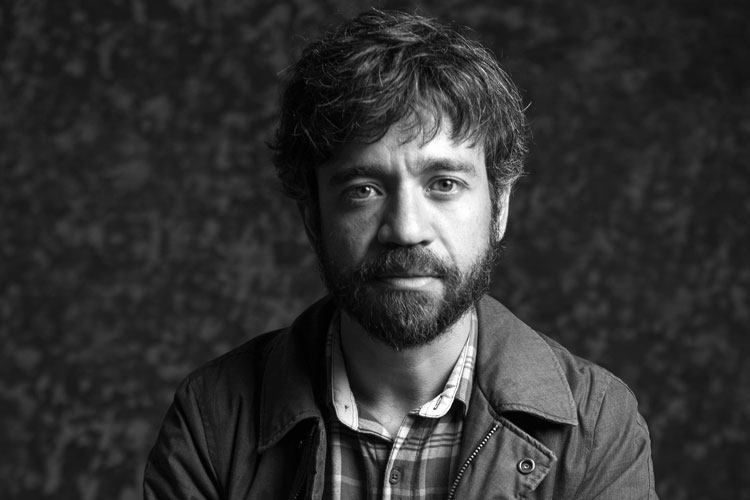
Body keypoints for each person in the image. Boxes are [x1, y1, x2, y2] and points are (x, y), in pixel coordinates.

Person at [144, 9, 657, 499]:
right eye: (364, 190)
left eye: (444, 183)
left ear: (499, 207)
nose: (407, 230)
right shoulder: (213, 419)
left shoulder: (597, 426)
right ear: (312, 218)